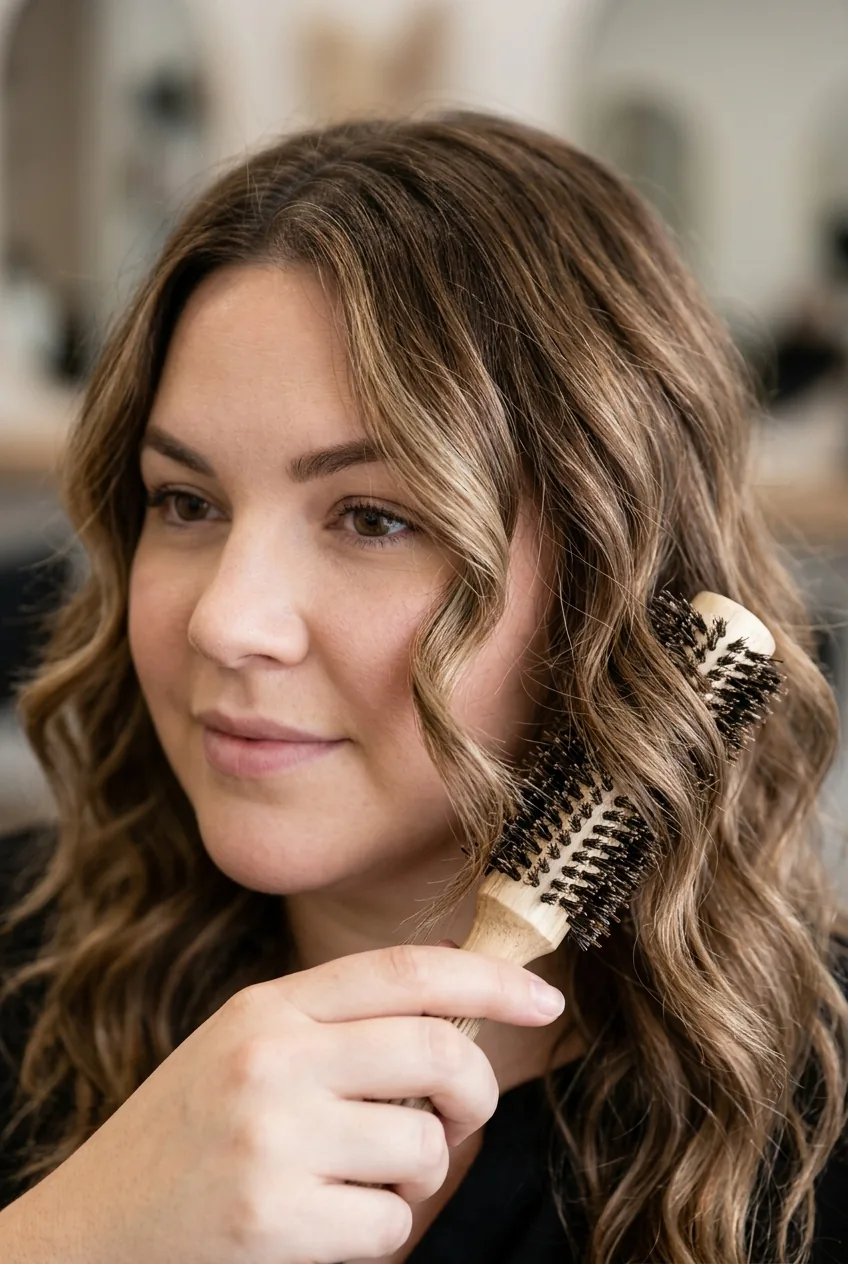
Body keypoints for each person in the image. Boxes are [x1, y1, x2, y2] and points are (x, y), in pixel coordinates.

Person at [0, 109, 846, 1264]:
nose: (224, 618)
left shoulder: (814, 1138)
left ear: (607, 574)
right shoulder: (17, 956)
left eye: (374, 517)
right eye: (185, 502)